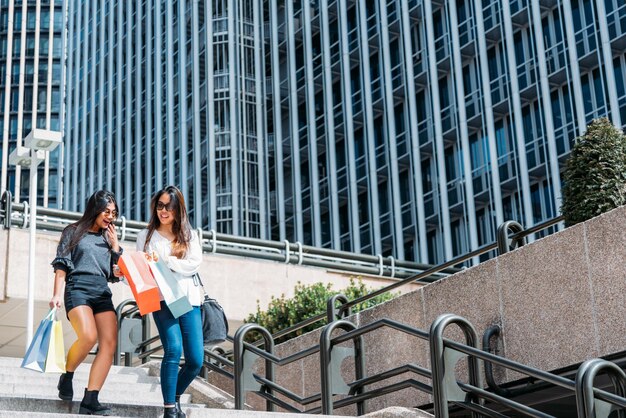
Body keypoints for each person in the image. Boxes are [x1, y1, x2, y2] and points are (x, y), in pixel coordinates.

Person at [50, 190, 124, 415]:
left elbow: (116, 275)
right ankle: (68, 374)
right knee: (89, 336)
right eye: (106, 211)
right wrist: (55, 294)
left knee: (109, 344)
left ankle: (90, 399)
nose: (110, 216)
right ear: (95, 209)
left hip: (101, 290)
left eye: (114, 213)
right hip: (77, 288)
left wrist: (116, 247)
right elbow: (62, 266)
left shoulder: (108, 239)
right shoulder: (73, 232)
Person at [136, 186, 203, 418]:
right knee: (173, 349)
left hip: (189, 300)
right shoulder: (145, 236)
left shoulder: (189, 234)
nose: (163, 211)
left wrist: (166, 261)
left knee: (195, 360)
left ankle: (173, 398)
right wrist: (124, 273)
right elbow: (142, 271)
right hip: (163, 300)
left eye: (169, 207)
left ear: (178, 209)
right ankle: (169, 410)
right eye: (160, 205)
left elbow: (194, 264)